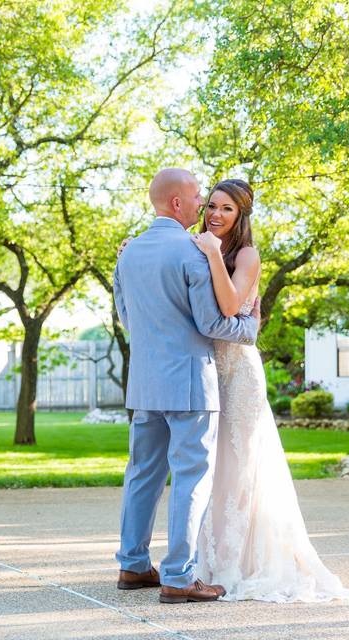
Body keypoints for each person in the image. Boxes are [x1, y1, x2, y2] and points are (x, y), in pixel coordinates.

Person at [190, 179, 349, 602]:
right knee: (211, 466)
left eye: (226, 209)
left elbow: (228, 306)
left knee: (242, 466)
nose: (215, 215)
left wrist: (209, 253)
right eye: (211, 206)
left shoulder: (246, 255)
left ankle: (241, 563)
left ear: (241, 214)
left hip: (240, 373)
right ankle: (205, 560)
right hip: (208, 367)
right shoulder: (202, 247)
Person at [113, 168, 259, 604]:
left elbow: (127, 318)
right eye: (198, 197)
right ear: (177, 203)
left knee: (142, 474)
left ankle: (133, 565)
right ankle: (178, 575)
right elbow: (212, 322)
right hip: (190, 382)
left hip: (144, 382)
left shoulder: (128, 253)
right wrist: (250, 327)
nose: (202, 206)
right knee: (192, 477)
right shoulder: (194, 252)